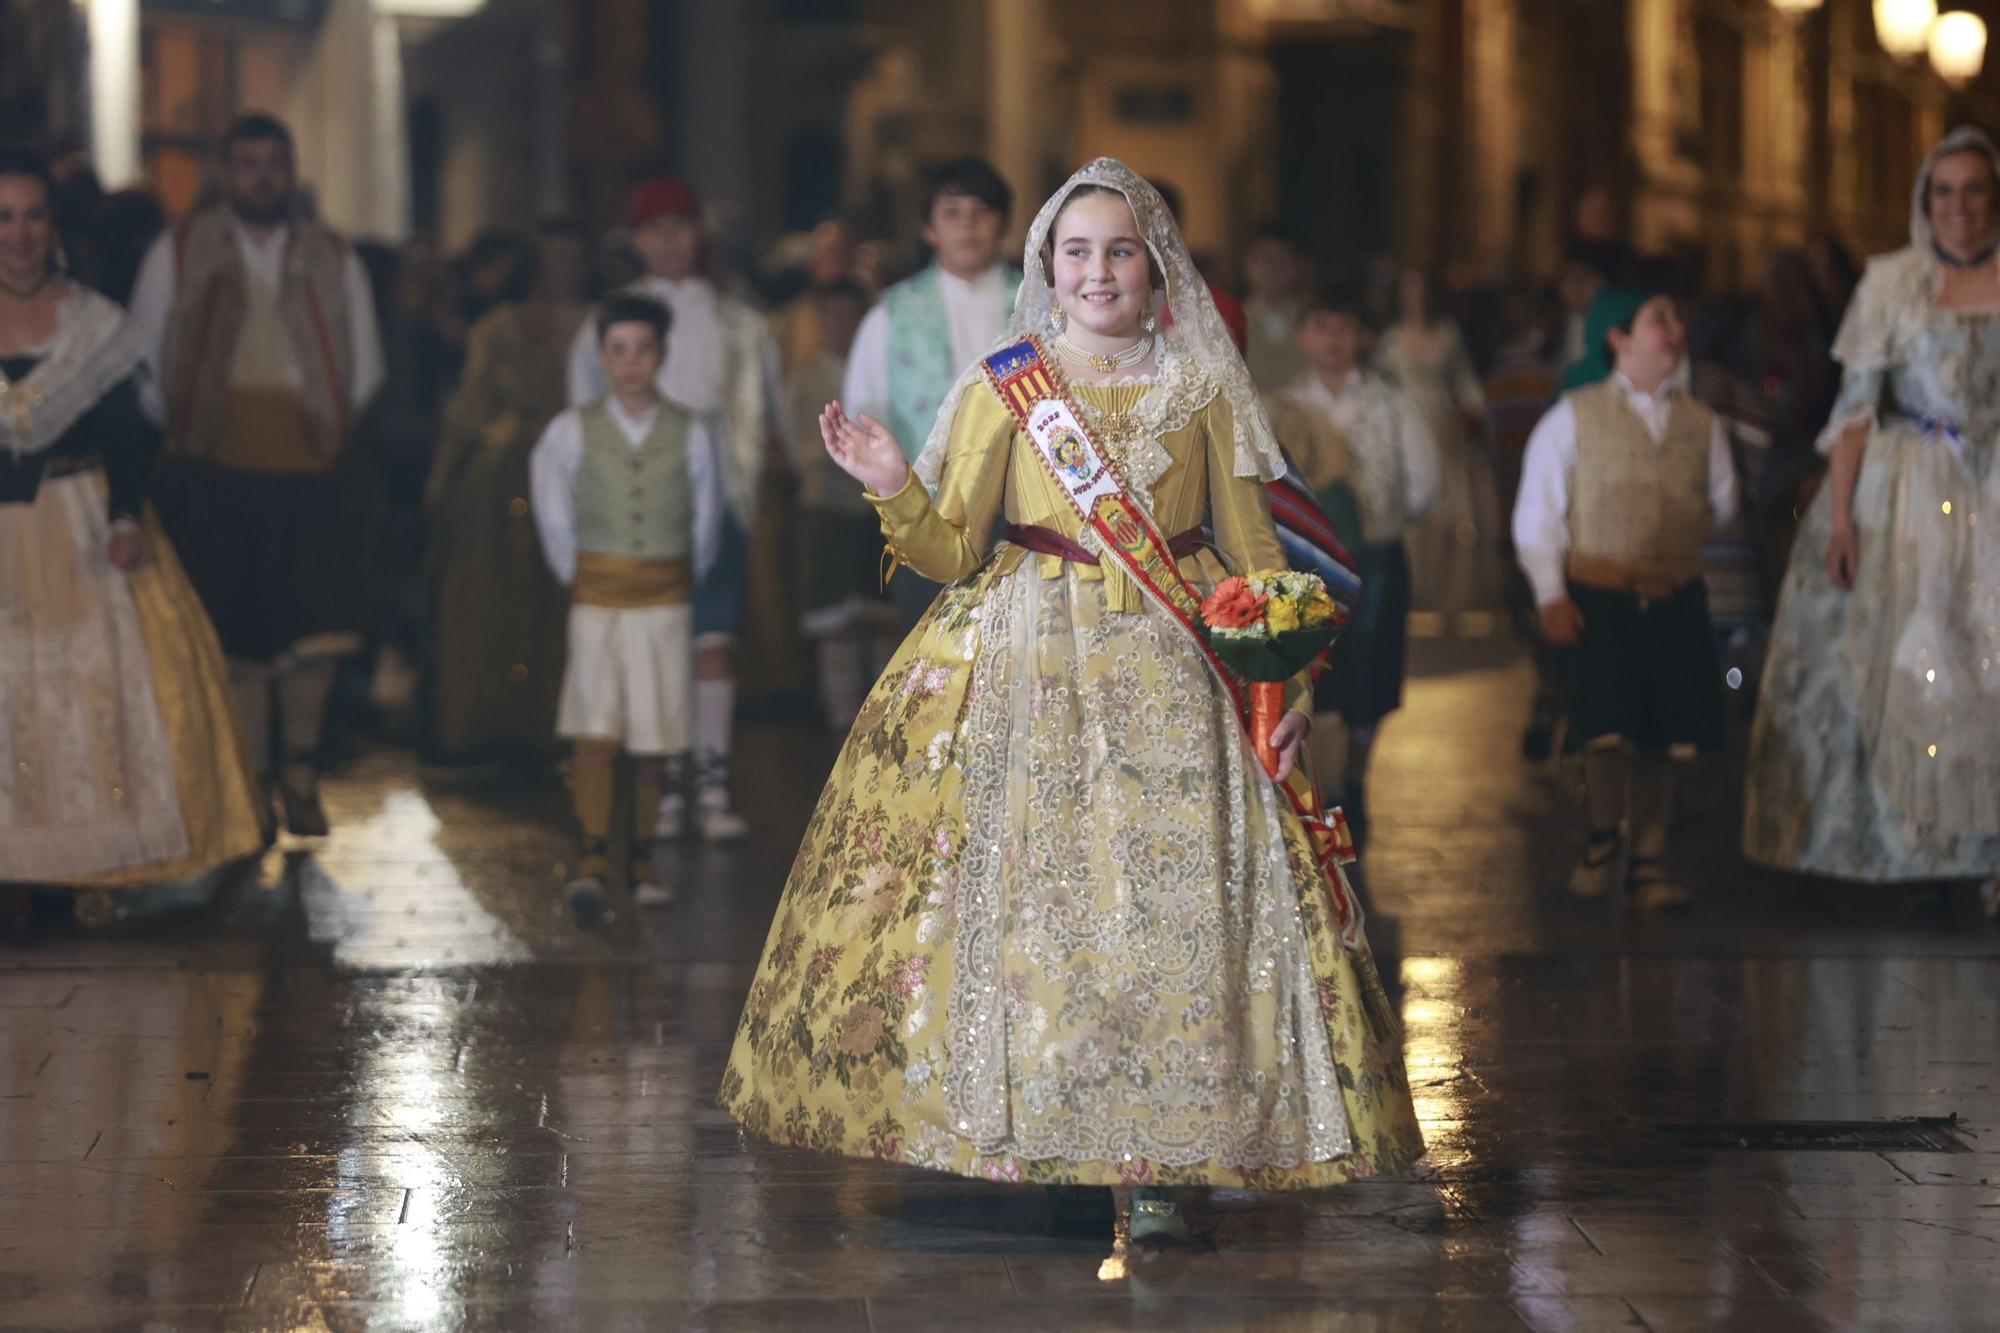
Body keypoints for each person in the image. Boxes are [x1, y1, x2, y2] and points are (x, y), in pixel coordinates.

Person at [720, 159, 1423, 1249]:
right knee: (1039, 915)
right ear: (1047, 267)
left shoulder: (1201, 388)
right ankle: (1055, 1132)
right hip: (1022, 668)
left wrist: (1283, 687)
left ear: (1156, 270)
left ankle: (1159, 1156)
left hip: (1172, 676)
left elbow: (1254, 564)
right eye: (1077, 252)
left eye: (1120, 250)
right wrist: (890, 479)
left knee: (1163, 912)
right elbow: (950, 550)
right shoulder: (1008, 383)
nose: (1098, 272)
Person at [0, 148, 265, 922]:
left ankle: (91, 866)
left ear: (53, 226)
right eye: (3, 217)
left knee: (88, 690)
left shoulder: (97, 324)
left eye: (30, 215)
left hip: (80, 524)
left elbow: (133, 437)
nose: (17, 233)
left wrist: (124, 515)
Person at [1744, 127, 2000, 914]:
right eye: (1943, 192)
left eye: (1973, 190)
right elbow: (1854, 410)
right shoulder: (1892, 283)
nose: (1958, 207)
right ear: (1927, 202)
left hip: (1992, 484)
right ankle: (1918, 842)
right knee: (1920, 661)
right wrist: (1844, 517)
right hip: (1912, 490)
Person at [129, 113, 386, 838]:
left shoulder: (334, 257)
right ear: (226, 171)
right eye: (248, 163)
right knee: (235, 636)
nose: (262, 177)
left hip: (311, 466)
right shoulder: (180, 250)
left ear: (291, 169)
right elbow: (147, 355)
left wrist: (321, 424)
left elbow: (364, 365)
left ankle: (300, 771)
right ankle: (250, 786)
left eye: (275, 162)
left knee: (316, 631)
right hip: (213, 468)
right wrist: (190, 429)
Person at [1513, 287, 1738, 911]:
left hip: (1674, 597)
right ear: (1619, 336)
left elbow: (1723, 505)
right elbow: (1539, 513)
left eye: (1675, 317)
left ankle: (1649, 862)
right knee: (1606, 729)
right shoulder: (1574, 415)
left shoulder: (1702, 421)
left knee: (1668, 735)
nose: (1674, 330)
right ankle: (1603, 840)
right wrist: (1551, 593)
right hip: (1601, 595)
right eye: (1657, 319)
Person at [567, 179, 774, 842]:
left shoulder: (737, 320)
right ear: (635, 240)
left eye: (680, 227)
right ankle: (661, 787)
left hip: (716, 491)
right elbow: (583, 410)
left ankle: (710, 783)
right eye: (654, 229)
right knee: (652, 643)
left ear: (699, 235)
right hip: (638, 495)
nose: (668, 241)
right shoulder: (609, 320)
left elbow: (758, 405)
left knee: (712, 640)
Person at [532, 294, 725, 920]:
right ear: (601, 358)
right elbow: (553, 511)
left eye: (644, 350)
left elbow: (706, 520)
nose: (632, 363)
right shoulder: (570, 429)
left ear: (662, 356)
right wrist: (581, 572)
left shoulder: (690, 431)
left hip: (664, 600)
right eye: (618, 351)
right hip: (597, 598)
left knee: (655, 731)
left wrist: (672, 573)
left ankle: (642, 863)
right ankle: (590, 858)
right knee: (596, 726)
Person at [1267, 286, 1440, 848]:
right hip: (1305, 562)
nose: (1333, 339)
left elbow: (1424, 482)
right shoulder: (1282, 405)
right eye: (1321, 326)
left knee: (1373, 676)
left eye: (1344, 327)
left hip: (1377, 560)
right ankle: (1325, 787)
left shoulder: (1390, 402)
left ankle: (1358, 778)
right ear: (1302, 335)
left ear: (1361, 337)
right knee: (1319, 678)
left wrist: (1380, 522)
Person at [423, 220, 589, 761]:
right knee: (496, 597)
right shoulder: (498, 329)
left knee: (566, 599)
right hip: (503, 482)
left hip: (578, 475)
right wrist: (445, 484)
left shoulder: (601, 326)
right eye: (552, 257)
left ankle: (557, 727)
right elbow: (470, 414)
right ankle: (493, 723)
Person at [841, 156, 1020, 634]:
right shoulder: (892, 314)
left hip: (1026, 517)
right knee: (930, 659)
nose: (967, 225)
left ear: (1003, 223)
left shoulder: (1039, 306)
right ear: (928, 229)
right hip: (928, 514)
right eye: (952, 212)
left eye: (981, 211)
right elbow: (865, 412)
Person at [785, 279, 893, 728]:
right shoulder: (806, 376)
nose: (841, 325)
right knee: (835, 623)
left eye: (850, 316)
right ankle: (841, 724)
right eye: (832, 315)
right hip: (828, 506)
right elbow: (795, 441)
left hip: (880, 507)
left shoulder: (883, 368)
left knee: (883, 615)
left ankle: (883, 720)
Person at [1376, 267, 1495, 624]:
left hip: (1444, 431)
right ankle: (1414, 594)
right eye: (1409, 289)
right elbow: (1378, 385)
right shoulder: (1391, 340)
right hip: (1404, 428)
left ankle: (1451, 596)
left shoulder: (1447, 335)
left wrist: (1473, 411)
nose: (1416, 297)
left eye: (1422, 289)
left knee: (1453, 514)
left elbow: (1464, 381)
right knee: (1412, 515)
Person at [1240, 222, 1311, 392]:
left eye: (1282, 258)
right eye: (1264, 258)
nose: (1272, 267)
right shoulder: (1232, 320)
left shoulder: (1313, 319)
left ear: (1296, 266)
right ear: (1248, 265)